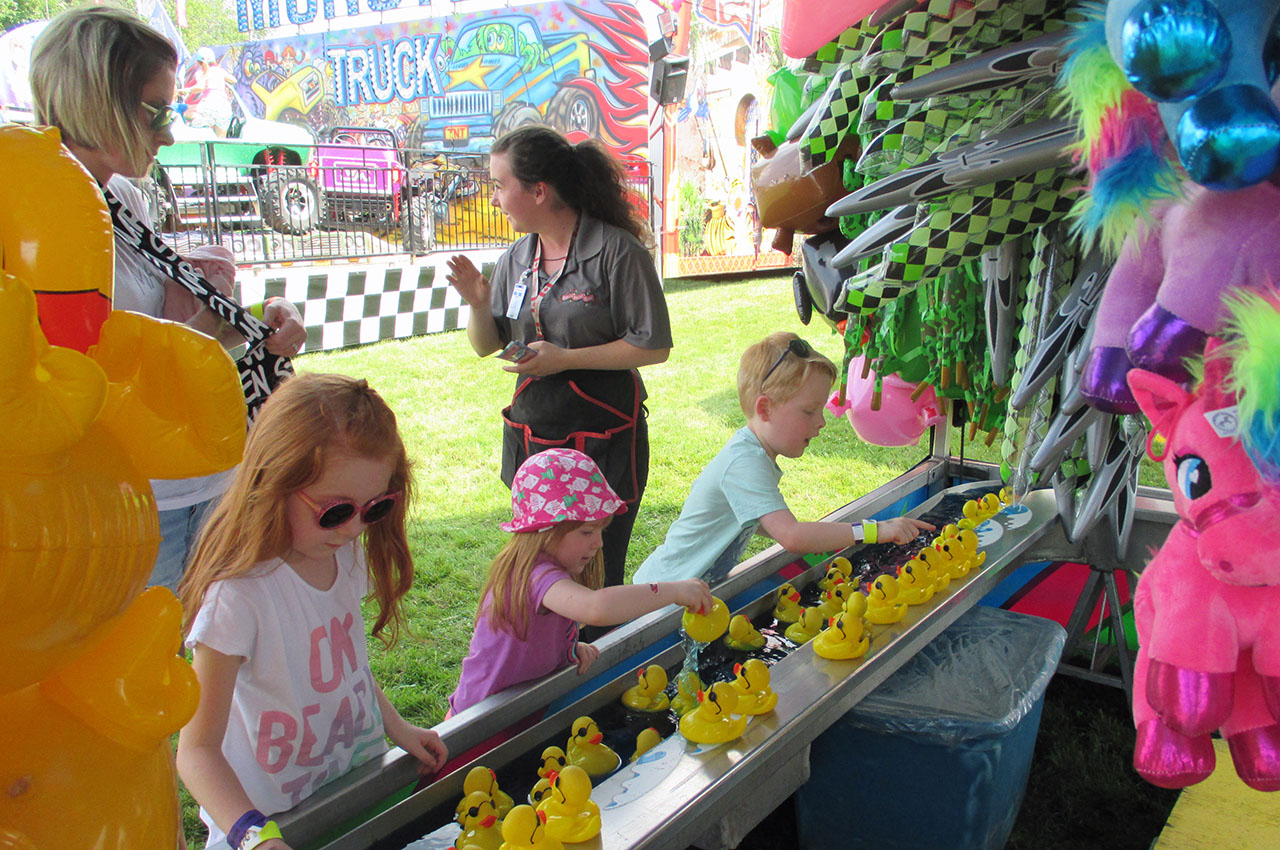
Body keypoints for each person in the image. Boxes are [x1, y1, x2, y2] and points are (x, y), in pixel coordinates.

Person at [30, 6, 307, 593]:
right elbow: (79, 376)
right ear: (93, 99)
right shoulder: (33, 215)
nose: (168, 132)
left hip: (197, 474)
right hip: (118, 497)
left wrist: (256, 324)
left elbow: (162, 337)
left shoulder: (122, 196)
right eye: (153, 111)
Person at [176, 374, 448, 850]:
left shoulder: (343, 556)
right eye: (334, 510)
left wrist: (396, 726)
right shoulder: (238, 598)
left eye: (374, 508)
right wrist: (255, 835)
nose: (353, 528)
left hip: (351, 790)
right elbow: (197, 752)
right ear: (274, 481)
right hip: (269, 823)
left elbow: (346, 668)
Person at [445, 126, 671, 595]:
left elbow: (654, 346)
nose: (493, 199)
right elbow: (486, 345)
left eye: (499, 185)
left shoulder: (616, 252)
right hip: (536, 437)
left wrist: (565, 359)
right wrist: (477, 303)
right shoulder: (517, 257)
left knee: (595, 569)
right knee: (540, 570)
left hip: (602, 439)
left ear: (539, 191)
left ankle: (597, 655)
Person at [634, 332, 936, 584]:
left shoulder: (753, 454)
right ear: (764, 409)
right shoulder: (744, 463)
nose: (821, 422)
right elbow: (791, 536)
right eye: (809, 411)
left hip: (676, 594)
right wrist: (876, 530)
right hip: (655, 603)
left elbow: (766, 523)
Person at [448, 449, 713, 716]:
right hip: (479, 721)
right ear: (545, 531)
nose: (598, 543)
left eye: (601, 530)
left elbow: (535, 635)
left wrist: (567, 650)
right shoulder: (532, 574)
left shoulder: (552, 566)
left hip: (519, 709)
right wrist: (675, 591)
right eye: (587, 531)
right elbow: (596, 608)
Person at [181, 46, 237, 137]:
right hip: (224, 107)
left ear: (200, 61)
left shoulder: (201, 72)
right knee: (220, 139)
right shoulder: (219, 71)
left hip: (209, 103)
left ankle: (204, 121)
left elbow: (200, 87)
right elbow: (234, 80)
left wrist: (186, 91)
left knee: (187, 113)